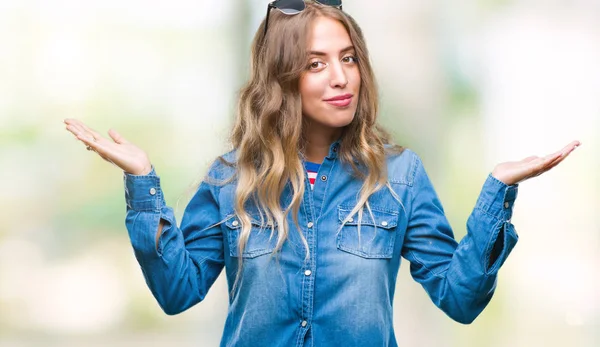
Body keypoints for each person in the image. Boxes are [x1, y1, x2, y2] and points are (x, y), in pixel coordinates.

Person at [64, 1, 580, 346]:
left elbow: (460, 299)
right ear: (282, 79)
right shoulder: (229, 180)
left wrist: (498, 192)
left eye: (349, 58)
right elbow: (178, 292)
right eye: (316, 64)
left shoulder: (399, 176)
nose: (341, 78)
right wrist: (143, 182)